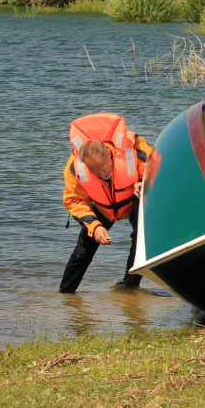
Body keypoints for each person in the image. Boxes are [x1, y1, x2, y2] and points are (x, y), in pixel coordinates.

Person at [59, 113, 152, 293]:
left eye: (104, 168)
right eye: (96, 172)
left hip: (132, 199)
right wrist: (94, 226)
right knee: (82, 252)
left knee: (141, 237)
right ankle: (65, 294)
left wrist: (144, 182)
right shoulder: (74, 168)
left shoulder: (134, 151)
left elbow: (159, 169)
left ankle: (129, 287)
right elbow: (74, 200)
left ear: (109, 154)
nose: (102, 174)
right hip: (102, 205)